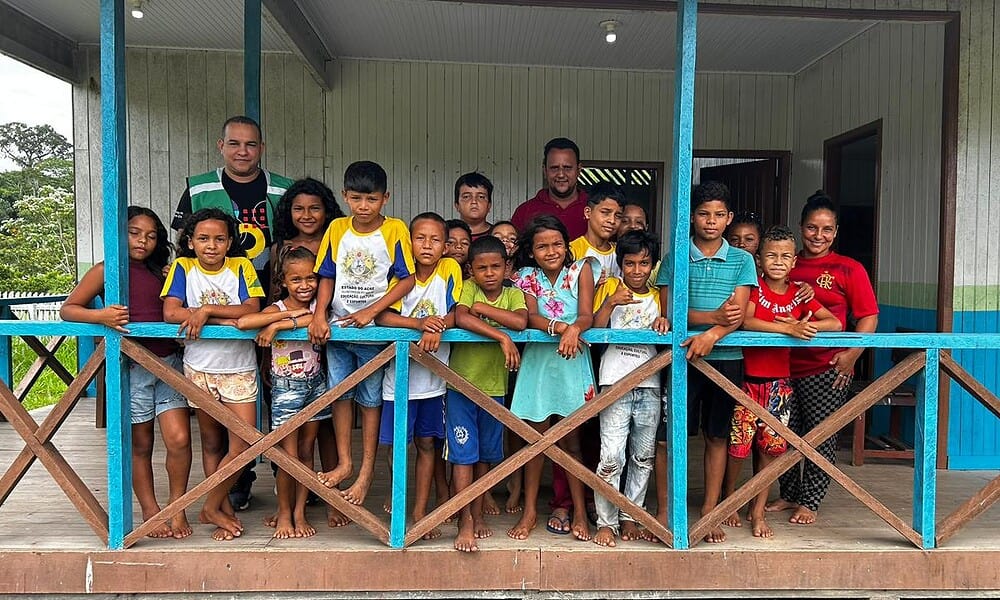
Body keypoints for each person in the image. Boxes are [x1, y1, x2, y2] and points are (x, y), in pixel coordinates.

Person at [172, 115, 292, 512]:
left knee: (281, 392)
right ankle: (234, 486)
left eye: (251, 144)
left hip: (274, 303)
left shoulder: (283, 189)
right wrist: (203, 310)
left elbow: (294, 243)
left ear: (262, 148)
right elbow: (181, 243)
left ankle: (289, 478)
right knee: (217, 422)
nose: (243, 151)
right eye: (235, 143)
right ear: (220, 146)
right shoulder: (199, 187)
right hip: (218, 316)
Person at [61, 207, 192, 540]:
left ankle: (177, 507)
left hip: (168, 363)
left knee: (179, 439)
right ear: (120, 233)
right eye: (134, 233)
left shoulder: (162, 271)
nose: (142, 241)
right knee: (141, 443)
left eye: (151, 236)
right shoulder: (106, 270)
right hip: (132, 366)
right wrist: (101, 316)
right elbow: (68, 309)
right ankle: (150, 510)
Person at [766, 191, 879, 525]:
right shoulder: (787, 261)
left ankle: (810, 501)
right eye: (812, 228)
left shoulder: (849, 268)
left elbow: (868, 316)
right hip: (782, 365)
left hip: (827, 367)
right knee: (783, 431)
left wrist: (852, 354)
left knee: (821, 434)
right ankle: (789, 493)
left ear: (836, 231)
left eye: (827, 229)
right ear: (801, 227)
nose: (819, 235)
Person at [654, 181, 757, 544]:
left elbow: (738, 314)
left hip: (727, 360)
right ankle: (665, 509)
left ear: (729, 218)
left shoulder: (742, 260)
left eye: (718, 215)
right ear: (691, 217)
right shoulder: (676, 257)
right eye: (703, 214)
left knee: (717, 436)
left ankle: (710, 510)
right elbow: (668, 310)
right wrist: (714, 318)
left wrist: (711, 334)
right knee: (669, 437)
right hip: (681, 358)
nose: (711, 221)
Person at [722, 225, 841, 538]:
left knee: (770, 451)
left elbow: (835, 322)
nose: (778, 261)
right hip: (747, 383)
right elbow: (746, 320)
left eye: (785, 256)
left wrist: (803, 325)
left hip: (779, 387)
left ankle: (758, 510)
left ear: (794, 262)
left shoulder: (798, 294)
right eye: (771, 256)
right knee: (737, 448)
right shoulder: (755, 288)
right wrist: (787, 329)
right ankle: (729, 500)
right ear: (759, 260)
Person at [309, 160, 416, 507]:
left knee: (370, 402)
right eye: (356, 199)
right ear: (344, 196)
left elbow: (407, 279)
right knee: (340, 395)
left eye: (371, 199)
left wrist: (373, 311)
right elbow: (327, 275)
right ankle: (345, 462)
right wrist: (320, 315)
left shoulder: (395, 229)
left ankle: (366, 472)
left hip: (373, 334)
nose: (364, 206)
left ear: (386, 198)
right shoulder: (337, 228)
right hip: (339, 331)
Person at [162, 208, 264, 541]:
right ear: (190, 242)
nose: (211, 245)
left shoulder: (241, 267)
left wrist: (206, 311)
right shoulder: (183, 267)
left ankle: (209, 505)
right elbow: (171, 312)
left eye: (220, 239)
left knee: (244, 443)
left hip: (238, 368)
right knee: (211, 443)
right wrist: (221, 318)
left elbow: (251, 308)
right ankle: (223, 510)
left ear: (230, 242)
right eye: (203, 239)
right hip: (199, 368)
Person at [508, 215, 596, 542]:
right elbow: (530, 316)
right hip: (539, 363)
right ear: (531, 251)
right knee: (536, 440)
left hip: (572, 360)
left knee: (572, 443)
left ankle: (579, 511)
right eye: (542, 246)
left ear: (567, 245)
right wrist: (560, 327)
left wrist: (574, 329)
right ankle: (530, 510)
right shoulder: (526, 276)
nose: (551, 251)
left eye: (557, 244)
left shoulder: (581, 270)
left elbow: (586, 315)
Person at [375, 212, 462, 540]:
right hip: (398, 380)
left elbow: (457, 312)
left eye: (435, 239)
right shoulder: (399, 273)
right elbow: (382, 317)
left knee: (427, 444)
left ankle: (419, 512)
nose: (427, 245)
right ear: (409, 242)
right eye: (420, 238)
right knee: (396, 445)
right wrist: (420, 324)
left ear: (445, 246)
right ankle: (398, 502)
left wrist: (439, 325)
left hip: (433, 382)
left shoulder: (449, 269)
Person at [269, 177, 348, 528]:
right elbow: (274, 295)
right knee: (289, 440)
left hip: (330, 337)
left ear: (327, 210)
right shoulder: (282, 248)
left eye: (315, 208)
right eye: (298, 208)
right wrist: (277, 326)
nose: (306, 215)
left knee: (326, 427)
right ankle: (286, 507)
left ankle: (332, 498)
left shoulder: (337, 241)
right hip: (289, 356)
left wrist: (317, 318)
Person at [236, 245, 329, 539]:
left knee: (307, 451)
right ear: (283, 282)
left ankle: (300, 512)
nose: (305, 285)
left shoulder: (319, 307)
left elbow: (315, 319)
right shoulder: (276, 307)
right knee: (288, 456)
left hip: (316, 385)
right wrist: (278, 318)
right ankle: (285, 512)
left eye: (311, 278)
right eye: (296, 279)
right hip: (286, 388)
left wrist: (280, 326)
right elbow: (245, 322)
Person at [449, 235, 528, 552]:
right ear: (471, 270)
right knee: (463, 455)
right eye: (482, 268)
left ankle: (478, 511)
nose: (490, 273)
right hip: (461, 384)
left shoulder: (513, 293)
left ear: (507, 267)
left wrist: (483, 310)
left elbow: (520, 321)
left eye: (496, 266)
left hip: (494, 388)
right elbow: (460, 316)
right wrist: (501, 337)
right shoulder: (468, 288)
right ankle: (465, 519)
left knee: (484, 455)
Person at [591, 230, 669, 547]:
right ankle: (606, 522)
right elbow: (594, 328)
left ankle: (631, 515)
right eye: (630, 263)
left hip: (649, 384)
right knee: (611, 456)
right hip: (613, 382)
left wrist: (664, 323)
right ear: (620, 264)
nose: (637, 270)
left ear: (653, 265)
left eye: (644, 263)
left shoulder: (657, 296)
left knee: (642, 456)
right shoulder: (610, 288)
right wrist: (610, 303)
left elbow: (666, 326)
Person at [511, 138, 589, 240]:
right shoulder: (525, 211)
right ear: (545, 170)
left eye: (567, 168)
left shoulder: (595, 210)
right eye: (554, 168)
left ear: (578, 170)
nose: (561, 174)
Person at [569, 182, 626, 287]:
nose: (612, 220)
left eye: (618, 216)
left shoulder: (620, 253)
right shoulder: (573, 251)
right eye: (605, 213)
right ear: (588, 213)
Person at [453, 172, 495, 240]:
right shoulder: (445, 234)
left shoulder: (497, 235)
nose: (474, 202)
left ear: (489, 205)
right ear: (457, 205)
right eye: (466, 197)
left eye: (481, 197)